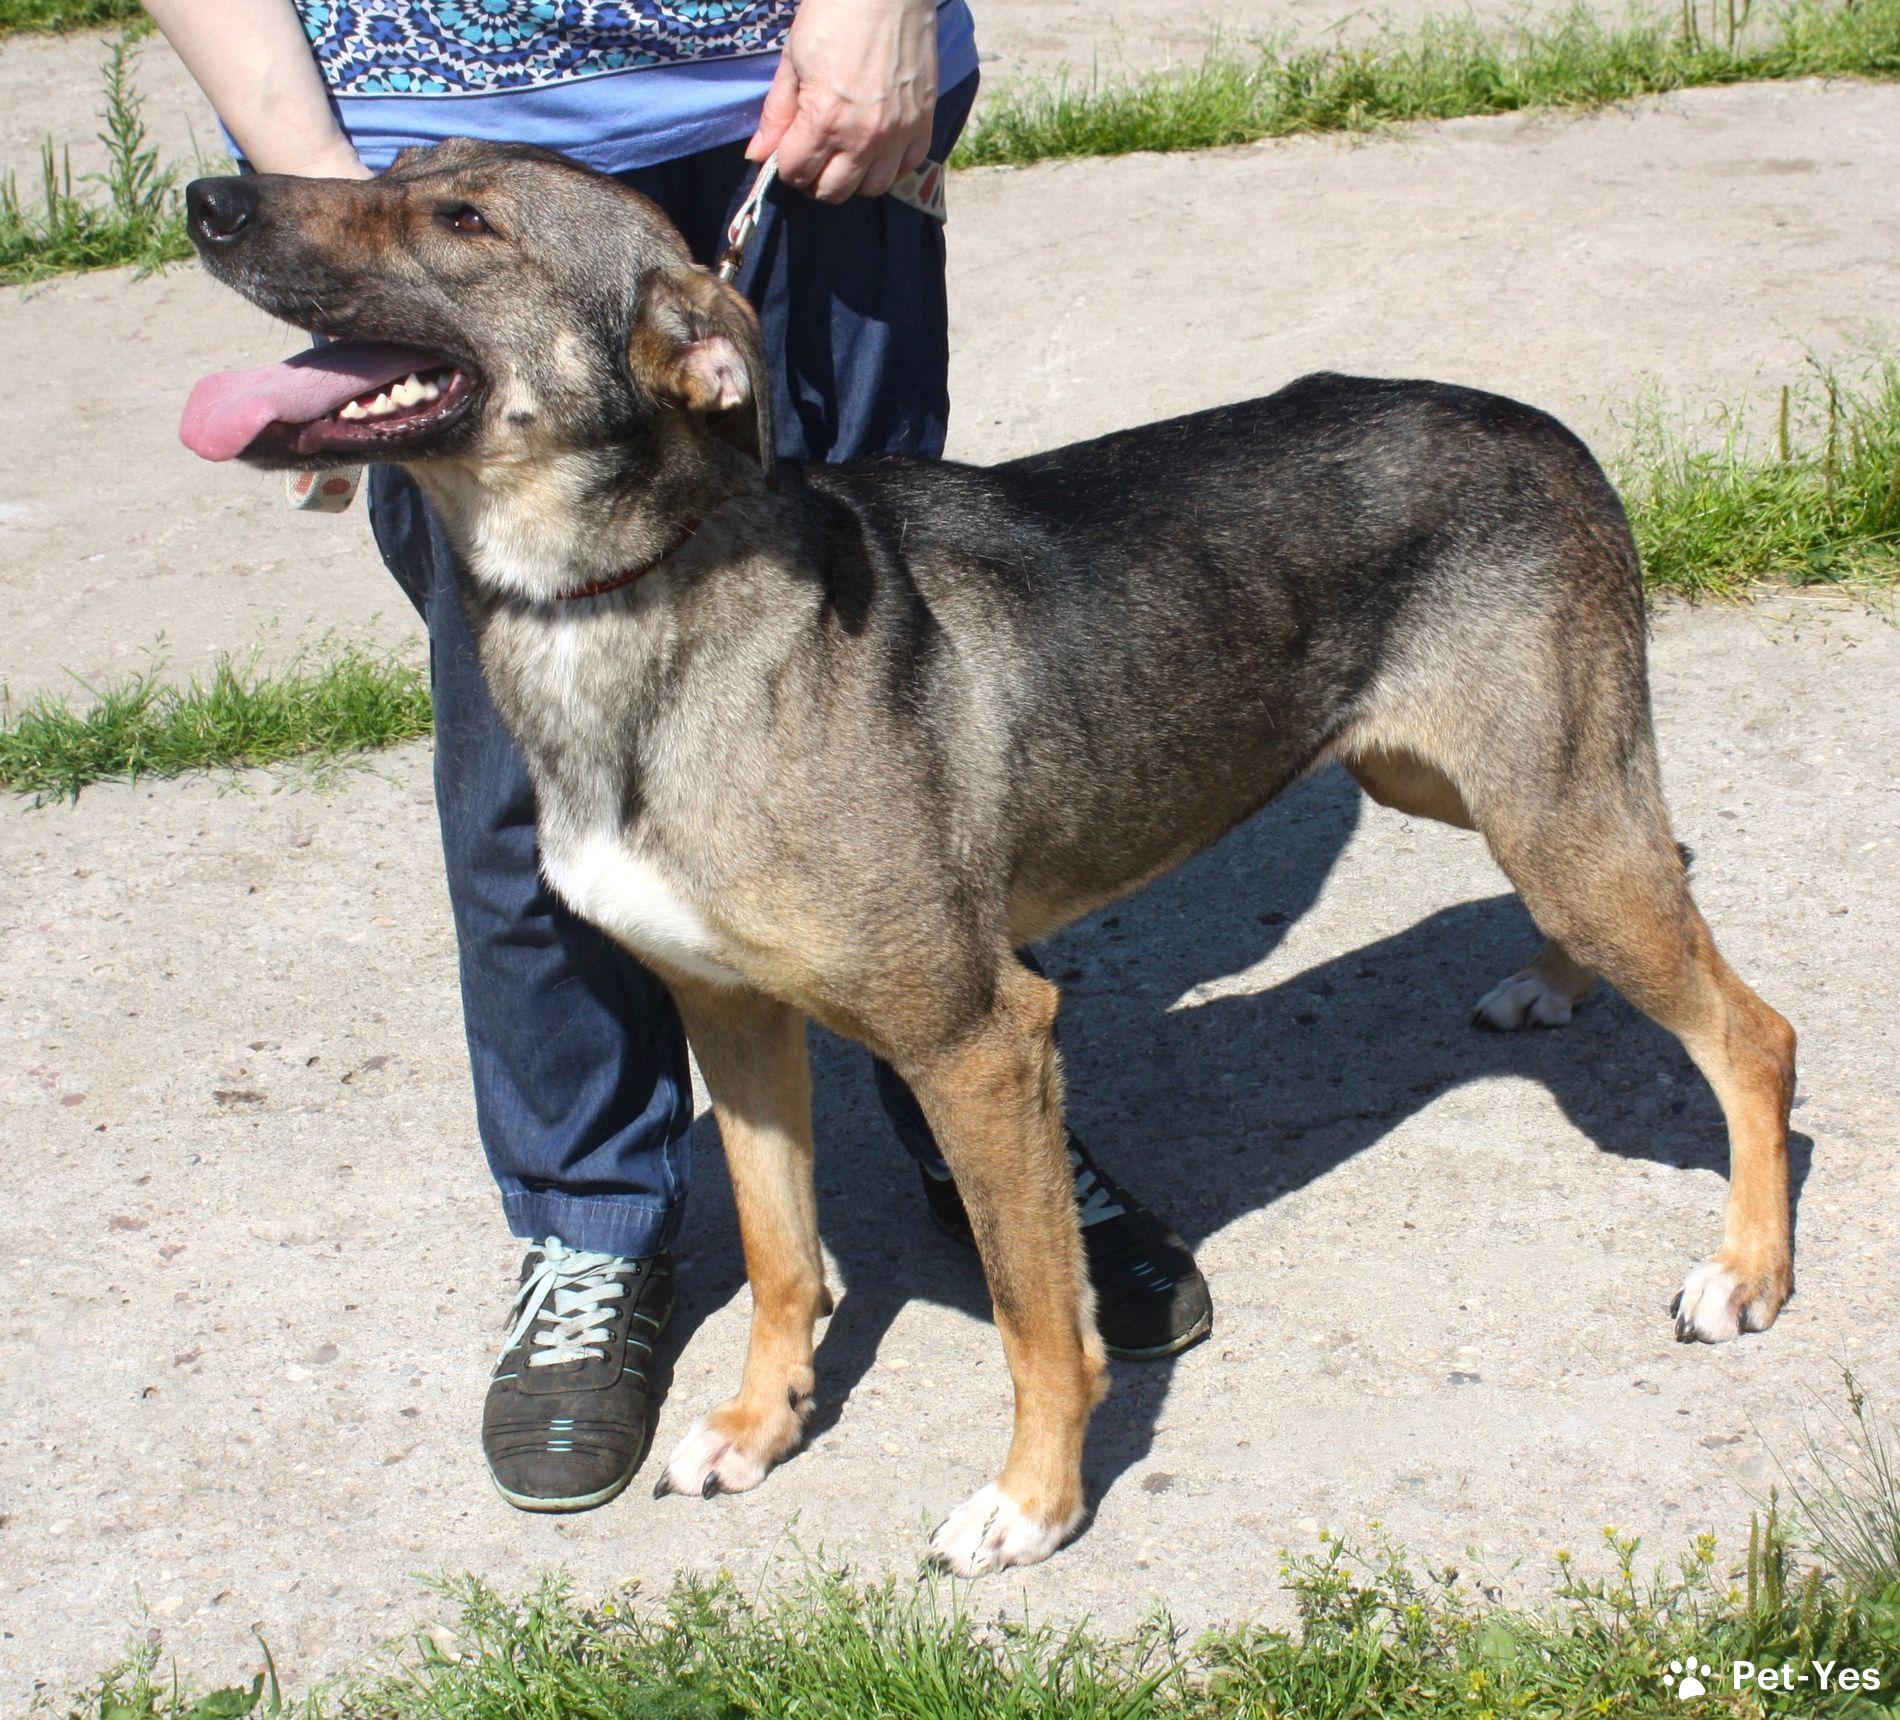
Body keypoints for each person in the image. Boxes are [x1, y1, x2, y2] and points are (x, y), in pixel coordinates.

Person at [146, 0, 1212, 1515]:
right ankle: (595, 1228)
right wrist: (324, 179)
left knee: (907, 795)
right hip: (398, 96)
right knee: (530, 820)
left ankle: (976, 1140)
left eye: (452, 224)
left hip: (817, 102)